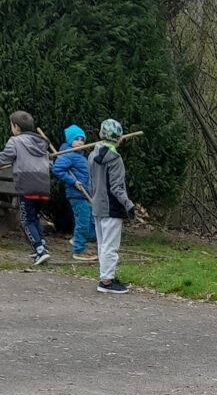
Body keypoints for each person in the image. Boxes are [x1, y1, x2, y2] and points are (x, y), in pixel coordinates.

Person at [88, 119, 142, 294]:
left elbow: (92, 182)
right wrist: (129, 205)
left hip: (96, 205)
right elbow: (117, 188)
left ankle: (106, 276)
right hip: (112, 207)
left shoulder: (91, 155)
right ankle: (106, 282)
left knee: (102, 244)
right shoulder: (115, 159)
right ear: (118, 138)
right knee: (111, 245)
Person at [0, 111, 52, 266]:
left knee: (25, 220)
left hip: (27, 185)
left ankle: (39, 250)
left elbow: (4, 158)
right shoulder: (42, 143)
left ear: (16, 127)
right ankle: (42, 245)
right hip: (43, 185)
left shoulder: (15, 141)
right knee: (34, 217)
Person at [52, 124, 96, 260]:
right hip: (77, 194)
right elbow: (57, 169)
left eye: (82, 140)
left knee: (91, 221)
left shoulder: (79, 155)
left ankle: (77, 239)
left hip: (85, 194)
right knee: (83, 221)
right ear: (70, 140)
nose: (80, 142)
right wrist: (73, 182)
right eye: (77, 139)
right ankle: (79, 250)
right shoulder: (68, 155)